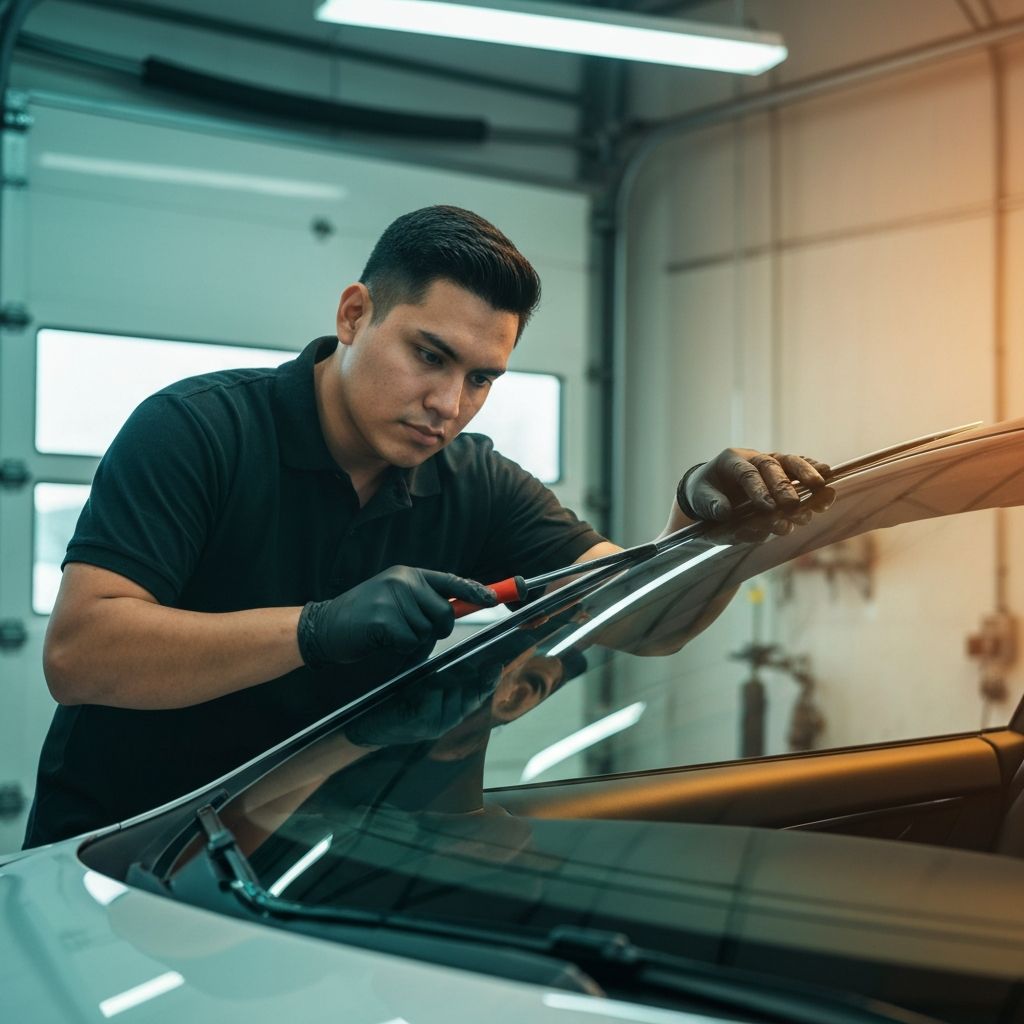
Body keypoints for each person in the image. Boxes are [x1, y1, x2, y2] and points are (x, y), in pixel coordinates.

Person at [24, 205, 831, 848]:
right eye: (430, 356)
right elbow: (81, 656)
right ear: (354, 314)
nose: (449, 404)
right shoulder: (198, 431)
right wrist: (315, 629)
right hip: (117, 856)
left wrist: (703, 523)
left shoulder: (475, 481)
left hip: (314, 866)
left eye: (481, 378)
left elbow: (644, 623)